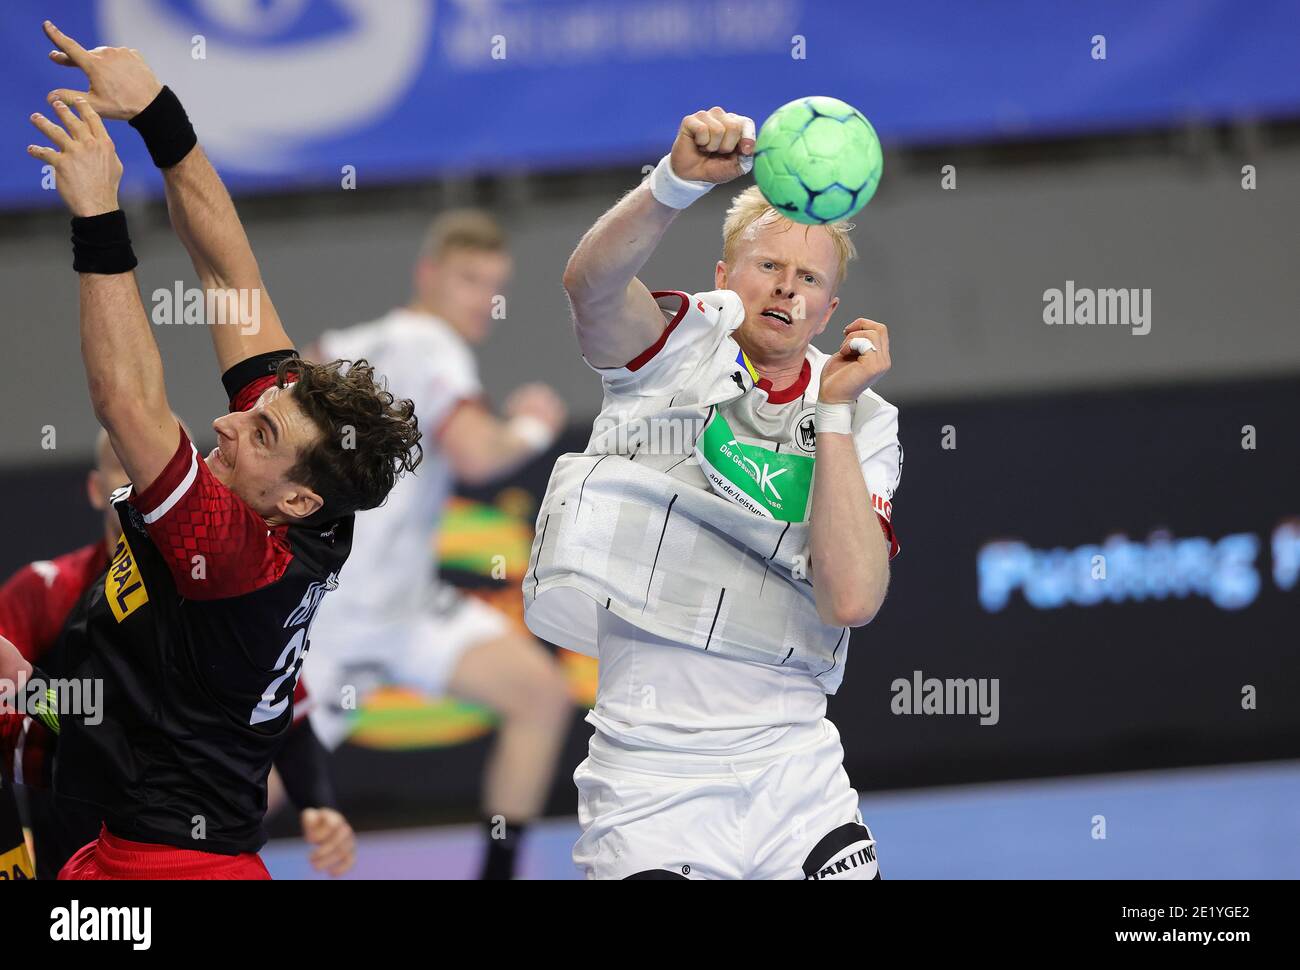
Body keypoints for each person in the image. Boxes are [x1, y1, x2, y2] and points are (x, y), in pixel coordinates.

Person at [0, 22, 419, 879]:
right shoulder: (305, 478)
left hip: (158, 868)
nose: (229, 422)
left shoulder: (234, 552)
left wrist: (96, 214)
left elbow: (127, 402)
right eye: (256, 409)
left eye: (260, 432)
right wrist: (159, 112)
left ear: (297, 500)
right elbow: (232, 280)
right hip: (142, 839)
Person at [524, 107, 902, 879]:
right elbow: (590, 287)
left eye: (809, 280)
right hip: (648, 777)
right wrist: (671, 185)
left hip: (794, 774)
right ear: (725, 277)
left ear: (829, 309)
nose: (787, 291)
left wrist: (831, 411)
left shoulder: (863, 416)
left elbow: (854, 598)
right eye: (769, 267)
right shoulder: (666, 350)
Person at [304, 210, 572, 880]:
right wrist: (534, 428)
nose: (484, 299)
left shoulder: (342, 344)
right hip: (334, 627)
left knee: (540, 695)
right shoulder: (436, 347)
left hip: (409, 609)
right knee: (246, 792)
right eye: (468, 280)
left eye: (494, 284)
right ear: (427, 276)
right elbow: (477, 456)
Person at [0, 429, 357, 878]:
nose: (143, 477)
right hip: (80, 847)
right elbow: (54, 717)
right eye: (125, 463)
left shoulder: (223, 592)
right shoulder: (43, 590)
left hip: (176, 846)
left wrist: (318, 805)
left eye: (155, 466)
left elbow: (285, 712)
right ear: (96, 490)